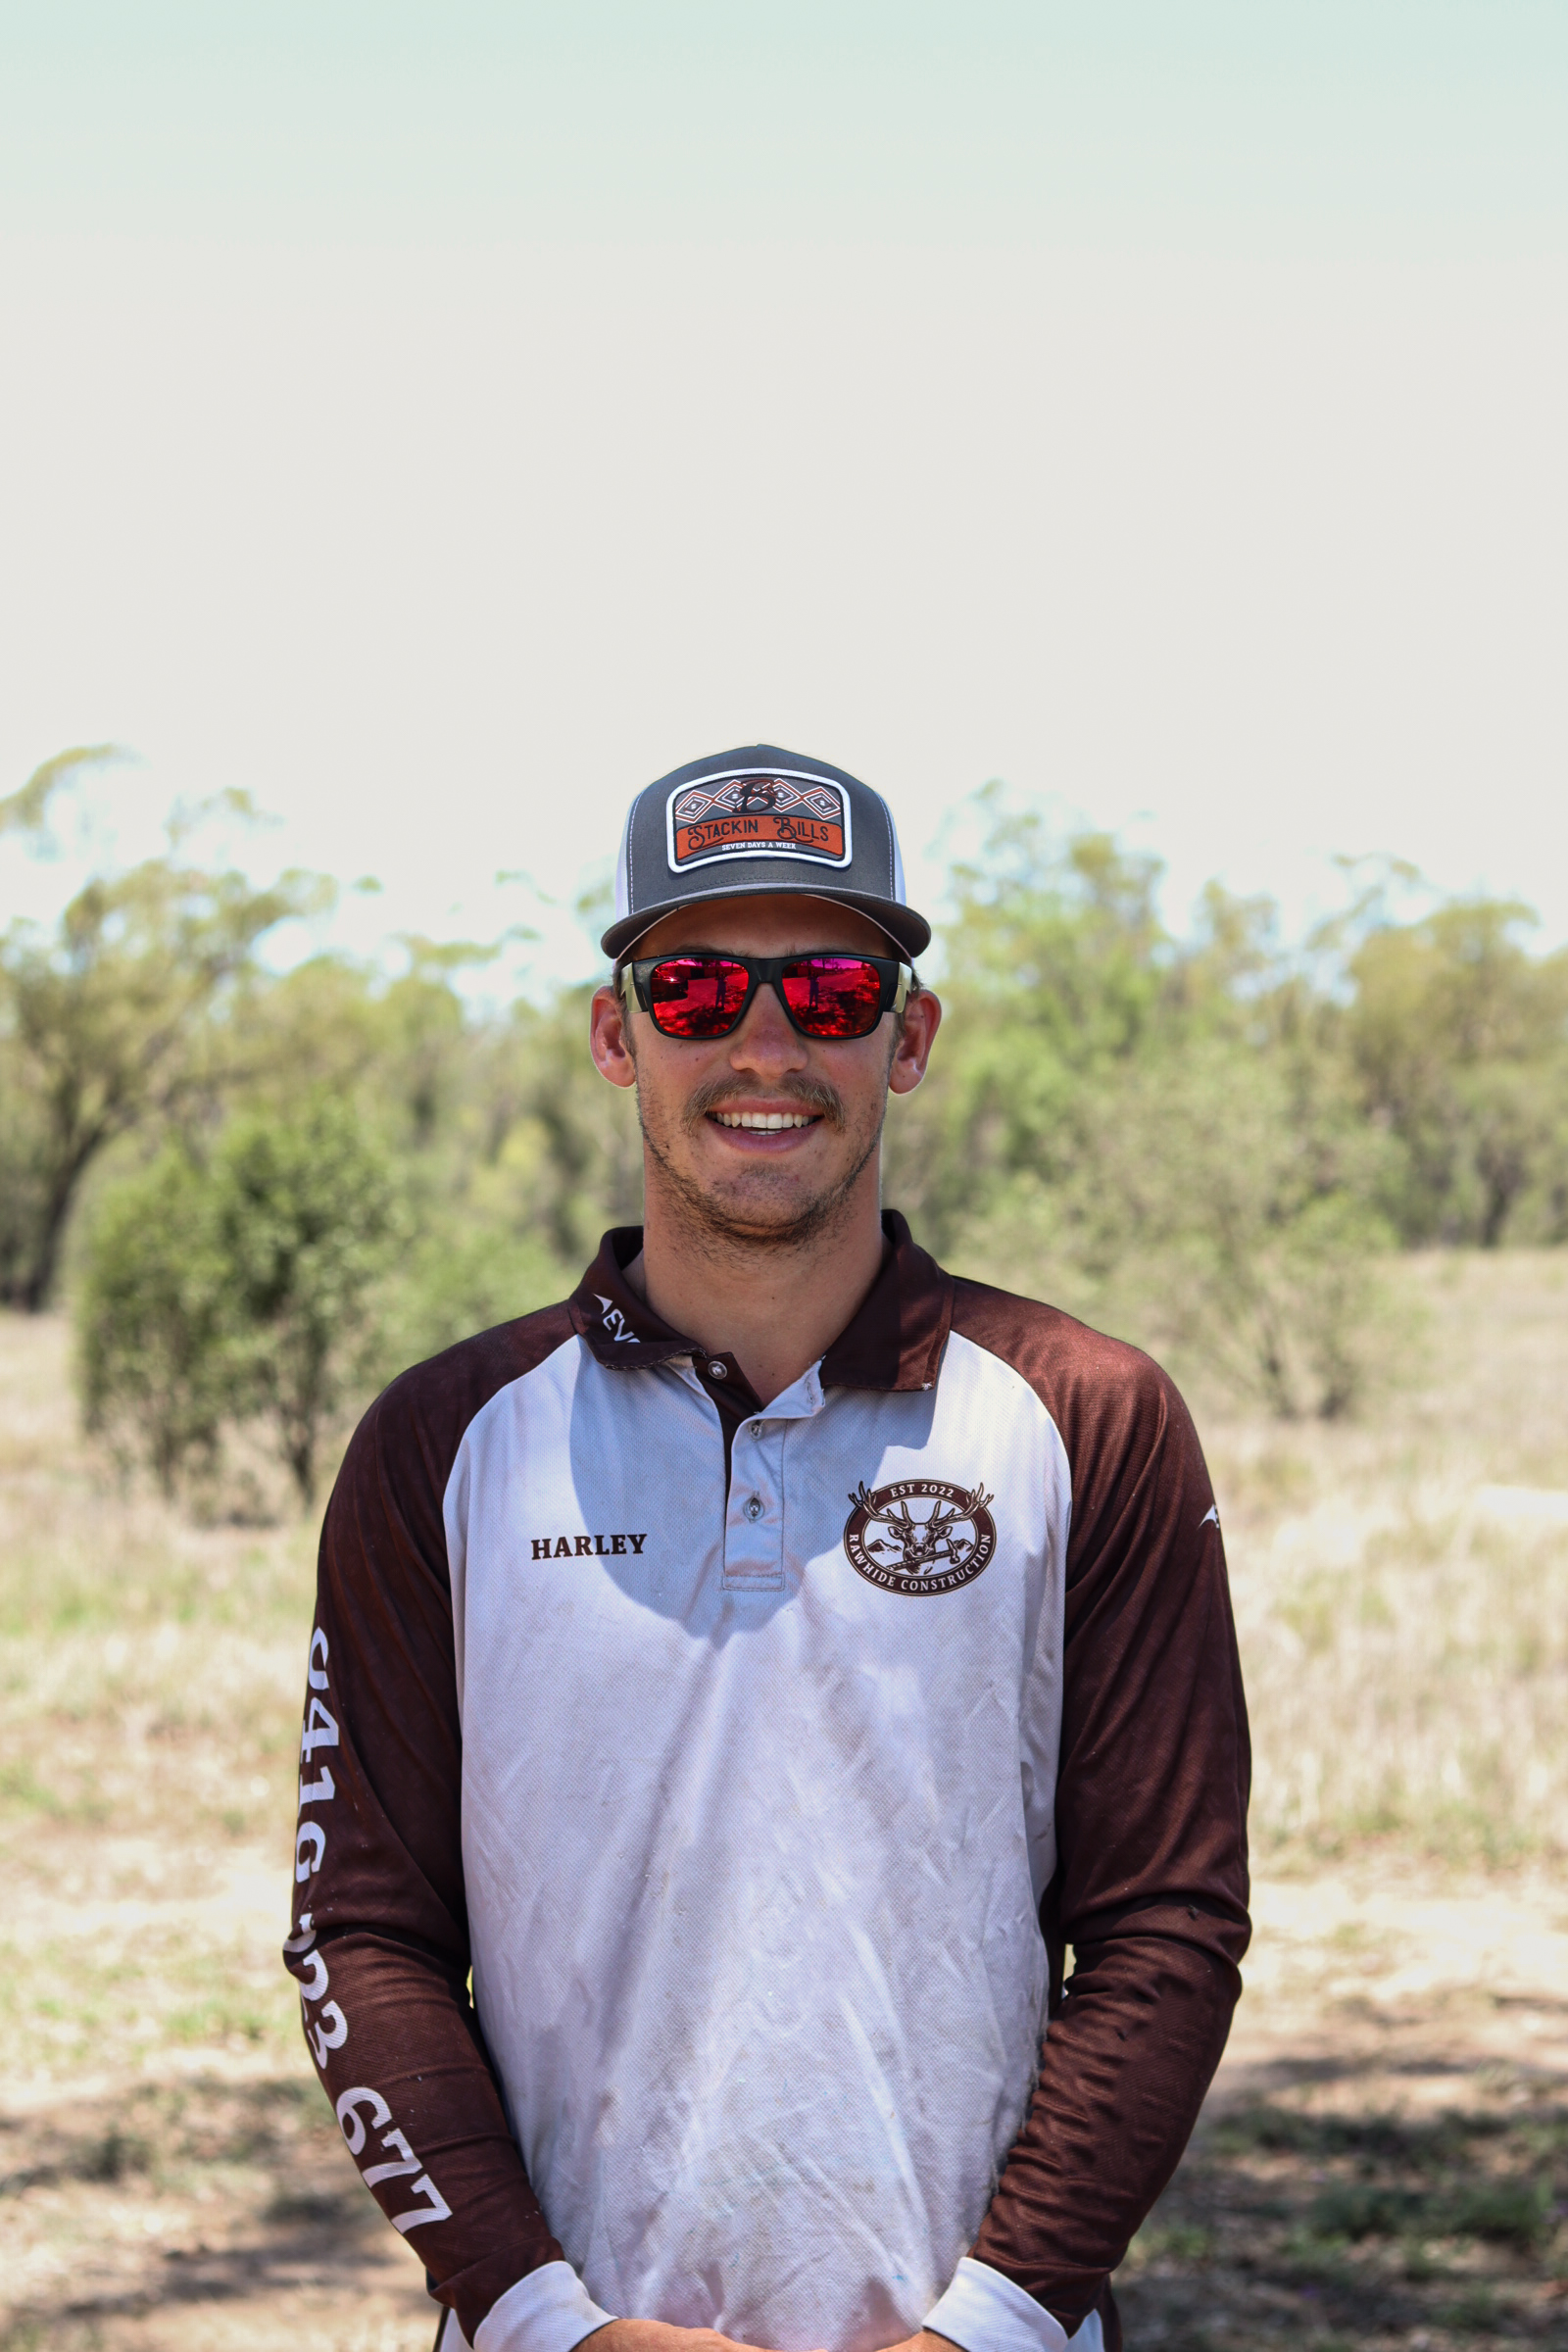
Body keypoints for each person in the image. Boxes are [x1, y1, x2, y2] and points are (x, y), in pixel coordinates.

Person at [285, 746, 1250, 2352]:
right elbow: (365, 1931)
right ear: (615, 1034)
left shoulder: (1090, 1421)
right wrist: (544, 2322)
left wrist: (991, 2325)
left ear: (909, 1034)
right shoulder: (444, 1444)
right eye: (693, 990)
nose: (764, 1043)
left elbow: (1166, 1920)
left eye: (828, 987)